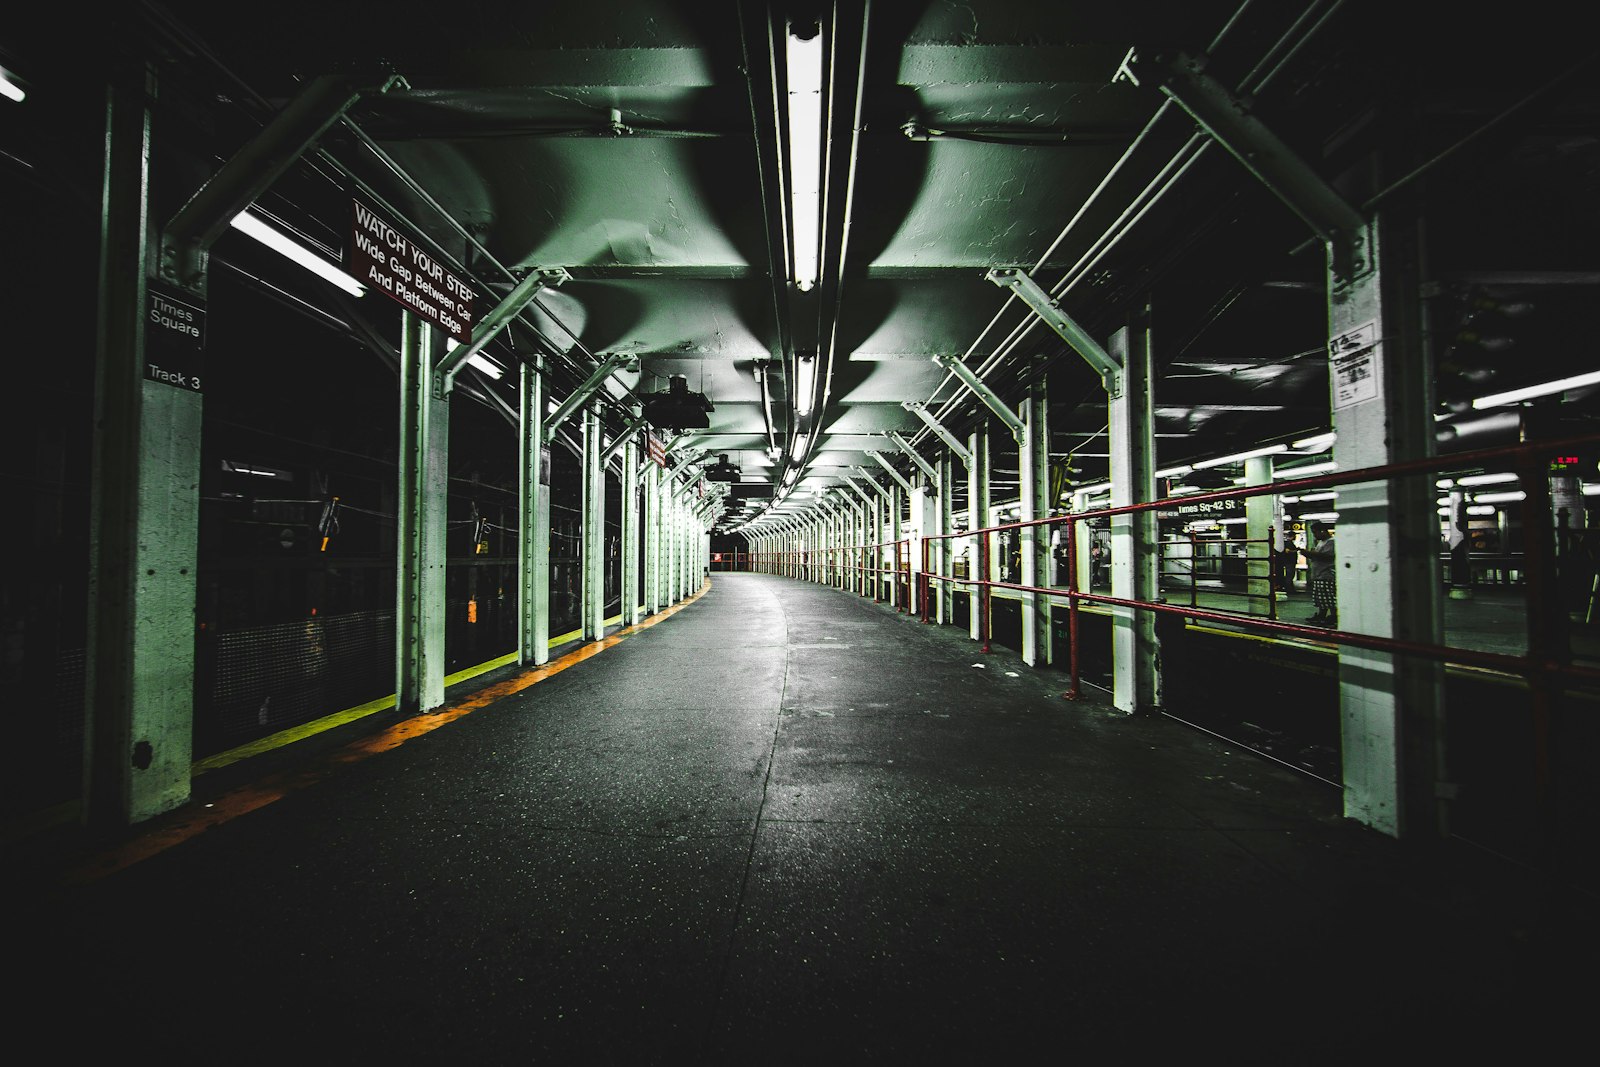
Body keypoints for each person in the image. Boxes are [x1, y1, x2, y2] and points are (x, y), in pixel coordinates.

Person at [1306, 521, 1337, 626]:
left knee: (1329, 598)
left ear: (1322, 531)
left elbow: (1327, 556)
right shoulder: (1321, 542)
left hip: (1326, 574)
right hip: (1319, 574)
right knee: (1322, 598)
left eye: (1315, 532)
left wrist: (1310, 553)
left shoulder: (1331, 542)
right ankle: (1322, 615)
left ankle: (1334, 616)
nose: (1314, 535)